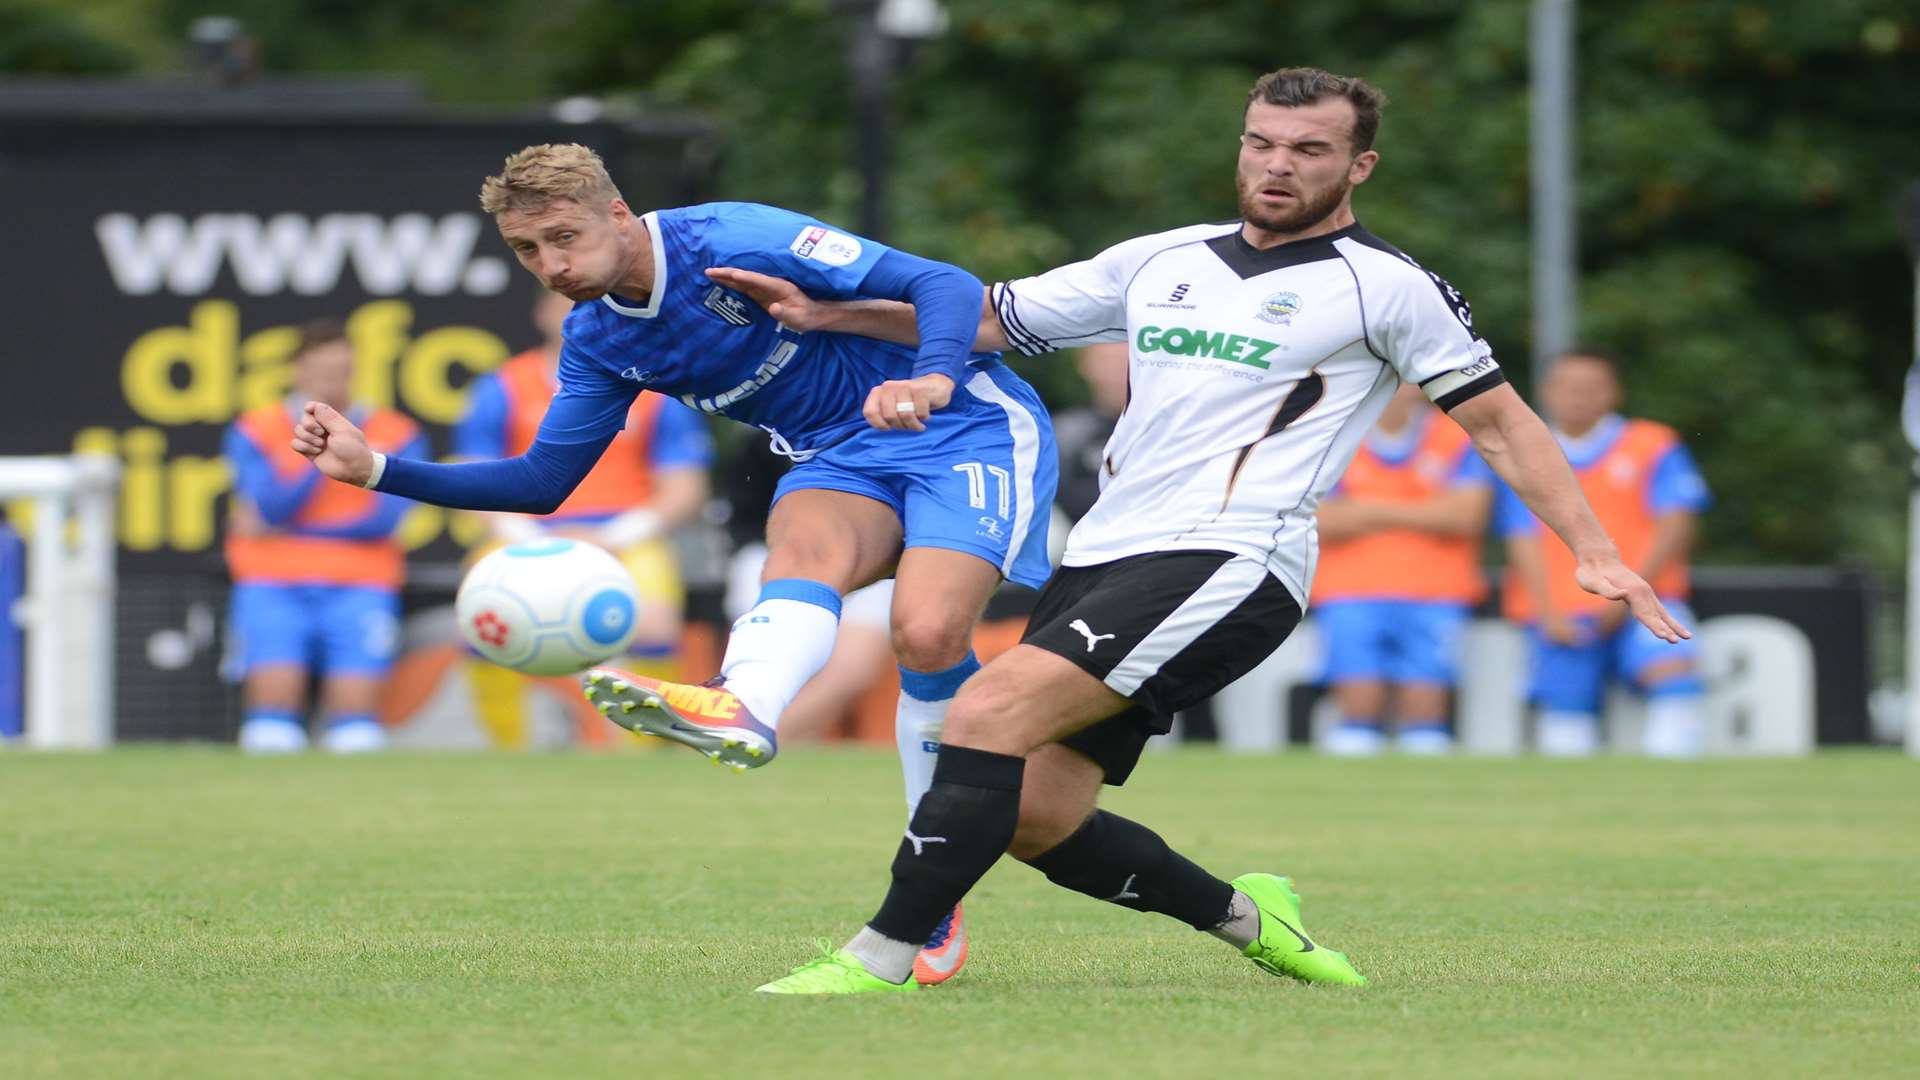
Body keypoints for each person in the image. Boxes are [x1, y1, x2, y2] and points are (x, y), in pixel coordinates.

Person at [712, 65, 1689, 995]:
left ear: (1359, 168)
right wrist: (831, 312)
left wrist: (1595, 552)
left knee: (982, 712)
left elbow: (1503, 426)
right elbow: (993, 319)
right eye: (1261, 143)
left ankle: (882, 953)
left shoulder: (1383, 286)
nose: (1277, 165)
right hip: (1103, 553)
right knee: (1037, 815)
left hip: (1235, 555)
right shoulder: (1162, 259)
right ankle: (1250, 920)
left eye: (1309, 149)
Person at [290, 143, 1057, 985]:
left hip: (963, 425)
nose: (553, 265)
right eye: (528, 251)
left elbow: (944, 286)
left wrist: (939, 377)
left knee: (927, 629)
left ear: (618, 214)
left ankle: (929, 878)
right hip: (838, 455)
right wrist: (376, 472)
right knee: (798, 546)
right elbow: (544, 482)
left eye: (563, 237)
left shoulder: (734, 236)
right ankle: (746, 708)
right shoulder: (597, 337)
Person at [454, 288, 713, 745]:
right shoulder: (502, 385)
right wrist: (527, 533)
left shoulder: (653, 387)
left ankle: (643, 752)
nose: (576, 317)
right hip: (522, 530)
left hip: (625, 533)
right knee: (482, 620)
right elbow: (472, 476)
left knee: (653, 622)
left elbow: (685, 486)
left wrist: (615, 536)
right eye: (564, 305)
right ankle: (508, 752)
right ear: (541, 312)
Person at [223, 319, 427, 753]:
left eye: (341, 370)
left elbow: (383, 520)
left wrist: (294, 527)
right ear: (297, 370)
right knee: (271, 710)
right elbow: (270, 504)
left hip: (361, 581)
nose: (332, 380)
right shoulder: (255, 428)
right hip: (273, 579)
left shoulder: (397, 431)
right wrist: (321, 448)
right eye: (320, 370)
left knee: (356, 716)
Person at [1497, 349, 1711, 757]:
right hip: (1562, 606)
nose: (1579, 397)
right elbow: (1521, 537)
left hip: (1649, 599)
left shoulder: (1652, 444)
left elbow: (1678, 521)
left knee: (1675, 675)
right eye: (1569, 387)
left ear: (1614, 393)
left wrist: (1633, 589)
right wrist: (1545, 610)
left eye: (1592, 388)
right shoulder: (1526, 454)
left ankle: (1673, 788)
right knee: (1565, 710)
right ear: (1547, 391)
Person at [1312, 383, 1493, 755]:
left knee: (1426, 709)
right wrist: (1423, 509)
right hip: (1349, 590)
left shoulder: (1455, 437)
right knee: (1357, 707)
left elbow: (1465, 517)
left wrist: (1365, 510)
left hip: (1436, 591)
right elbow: (1321, 520)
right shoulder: (1331, 434)